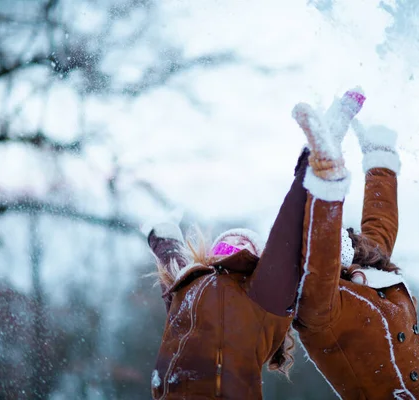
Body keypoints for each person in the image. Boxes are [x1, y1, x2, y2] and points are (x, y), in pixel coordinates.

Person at [144, 89, 365, 399]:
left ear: (259, 260)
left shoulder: (264, 295)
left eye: (245, 244)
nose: (234, 241)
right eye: (224, 245)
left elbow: (288, 231)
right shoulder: (189, 285)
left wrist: (313, 162)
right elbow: (171, 255)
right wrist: (160, 231)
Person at [291, 100, 419, 399]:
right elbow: (318, 255)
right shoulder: (319, 305)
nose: (338, 237)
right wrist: (324, 173)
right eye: (329, 238)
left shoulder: (366, 267)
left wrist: (378, 157)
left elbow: (380, 222)